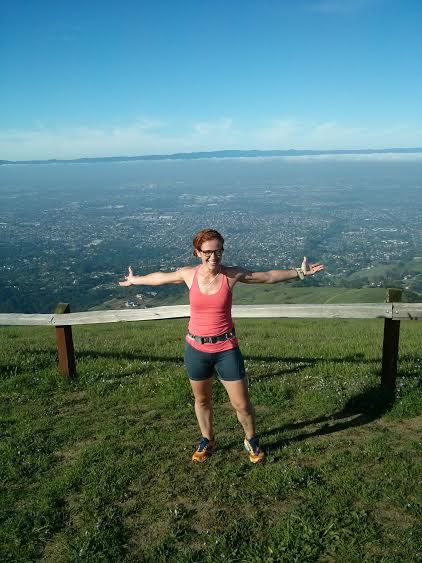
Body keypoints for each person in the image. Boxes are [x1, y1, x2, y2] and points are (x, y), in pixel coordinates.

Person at [119, 228, 324, 463]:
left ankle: (251, 439)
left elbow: (266, 276)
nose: (214, 257)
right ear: (197, 252)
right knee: (202, 400)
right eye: (207, 252)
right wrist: (135, 280)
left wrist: (299, 272)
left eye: (218, 251)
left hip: (226, 348)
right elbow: (160, 278)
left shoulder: (231, 275)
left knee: (242, 404)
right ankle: (207, 439)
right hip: (196, 349)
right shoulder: (189, 274)